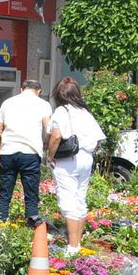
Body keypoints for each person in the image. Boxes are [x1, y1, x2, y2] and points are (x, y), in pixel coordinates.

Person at [46, 77, 104, 249]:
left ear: (59, 94)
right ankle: (77, 243)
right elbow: (99, 140)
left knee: (68, 202)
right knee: (80, 201)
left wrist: (50, 157)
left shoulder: (62, 112)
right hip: (86, 158)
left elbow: (56, 136)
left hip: (68, 160)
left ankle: (72, 247)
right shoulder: (85, 112)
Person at [0, 78, 51, 224]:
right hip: (30, 152)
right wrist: (45, 144)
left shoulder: (8, 102)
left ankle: (1, 219)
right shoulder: (43, 104)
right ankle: (31, 219)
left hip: (8, 151)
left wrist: (9, 137)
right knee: (31, 189)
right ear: (39, 91)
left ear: (22, 89)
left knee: (5, 189)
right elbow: (48, 129)